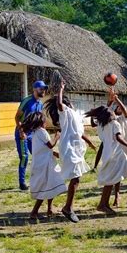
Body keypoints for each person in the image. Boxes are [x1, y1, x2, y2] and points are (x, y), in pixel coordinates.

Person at [44, 80, 95, 223]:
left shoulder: (73, 115)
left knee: (69, 178)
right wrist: (60, 89)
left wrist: (89, 141)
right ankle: (67, 208)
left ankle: (56, 206)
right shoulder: (65, 111)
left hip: (76, 149)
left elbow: (78, 132)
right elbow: (59, 104)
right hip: (70, 149)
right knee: (75, 178)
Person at [85, 106, 127, 215]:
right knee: (111, 180)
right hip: (116, 154)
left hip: (107, 154)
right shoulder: (114, 124)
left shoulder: (102, 125)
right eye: (112, 111)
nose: (114, 112)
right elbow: (118, 137)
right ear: (109, 115)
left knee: (111, 180)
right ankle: (102, 204)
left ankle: (105, 204)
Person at [21, 112, 67, 219]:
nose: (46, 122)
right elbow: (50, 145)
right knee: (44, 188)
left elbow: (44, 149)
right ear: (41, 122)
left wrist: (56, 154)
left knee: (50, 185)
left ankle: (50, 209)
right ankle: (34, 212)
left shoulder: (36, 133)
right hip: (45, 165)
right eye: (45, 120)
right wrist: (57, 137)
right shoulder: (42, 132)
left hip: (43, 163)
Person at [14, 80, 48, 191]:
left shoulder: (40, 104)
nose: (43, 91)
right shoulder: (27, 101)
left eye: (44, 89)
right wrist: (21, 131)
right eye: (41, 89)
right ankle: (22, 183)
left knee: (38, 155)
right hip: (23, 133)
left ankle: (38, 179)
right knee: (24, 157)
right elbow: (17, 117)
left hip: (34, 134)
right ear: (34, 89)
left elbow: (40, 120)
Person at [107, 88, 127, 206]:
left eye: (121, 107)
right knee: (118, 173)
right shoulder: (112, 119)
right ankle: (117, 196)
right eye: (117, 107)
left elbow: (124, 109)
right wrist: (110, 100)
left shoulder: (125, 117)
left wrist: (116, 99)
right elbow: (107, 109)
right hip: (117, 148)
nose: (119, 108)